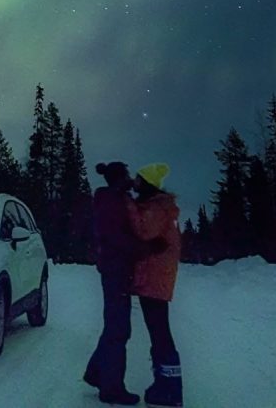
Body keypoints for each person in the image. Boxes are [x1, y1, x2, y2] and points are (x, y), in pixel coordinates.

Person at [83, 161, 144, 405]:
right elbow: (115, 237)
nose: (130, 179)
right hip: (115, 270)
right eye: (126, 176)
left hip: (116, 269)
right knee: (118, 329)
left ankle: (97, 372)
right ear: (119, 178)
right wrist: (145, 248)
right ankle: (112, 388)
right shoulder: (110, 201)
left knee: (115, 326)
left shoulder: (111, 198)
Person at [128, 163, 183, 407]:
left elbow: (143, 231)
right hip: (155, 278)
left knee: (160, 334)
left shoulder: (156, 208)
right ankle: (165, 384)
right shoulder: (157, 206)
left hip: (155, 280)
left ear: (147, 183)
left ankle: (170, 389)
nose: (134, 182)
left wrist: (127, 204)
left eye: (138, 178)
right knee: (159, 333)